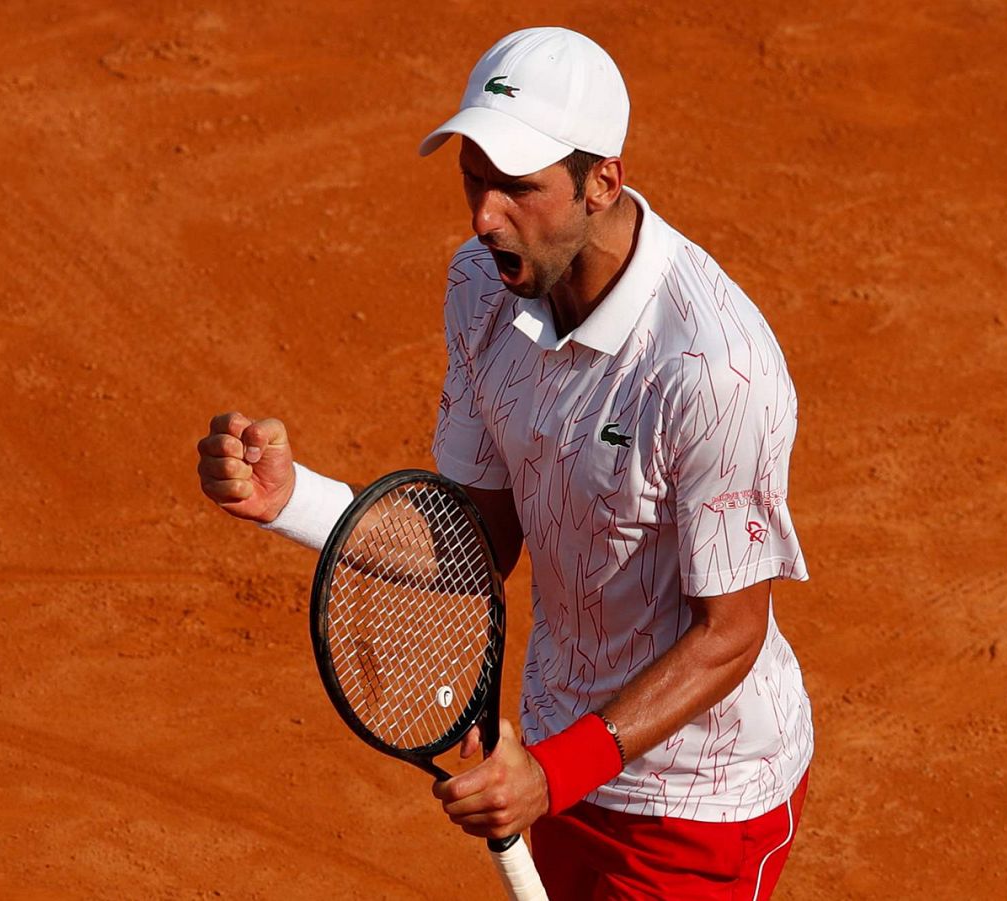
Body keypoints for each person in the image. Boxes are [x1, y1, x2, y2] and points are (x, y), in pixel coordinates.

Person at [196, 27, 812, 900]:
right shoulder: (482, 284)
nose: (484, 217)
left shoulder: (711, 369)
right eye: (473, 181)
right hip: (549, 757)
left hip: (697, 805)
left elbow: (732, 633)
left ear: (604, 181)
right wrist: (295, 499)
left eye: (517, 188)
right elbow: (475, 540)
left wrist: (556, 771)